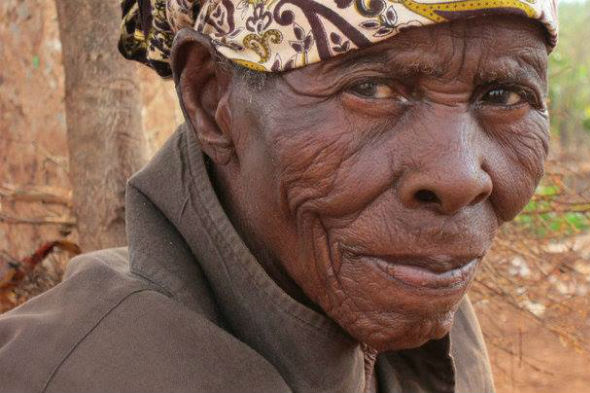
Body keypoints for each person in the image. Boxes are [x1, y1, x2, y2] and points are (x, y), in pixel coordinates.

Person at [0, 1, 558, 392]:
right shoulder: (53, 375)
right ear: (211, 98)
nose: (461, 178)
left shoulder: (431, 316)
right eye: (370, 88)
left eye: (504, 94)